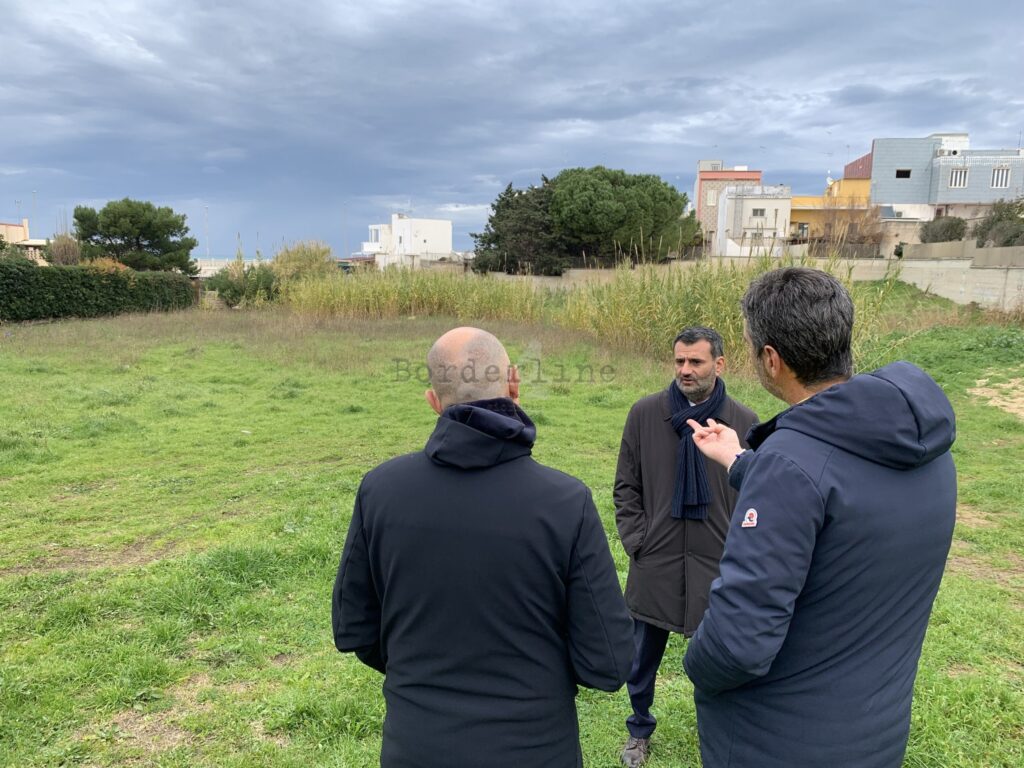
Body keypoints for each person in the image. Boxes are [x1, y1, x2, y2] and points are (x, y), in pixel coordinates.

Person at [684, 268, 957, 768]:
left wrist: (696, 660)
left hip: (779, 740)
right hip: (874, 730)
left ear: (771, 359)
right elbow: (845, 508)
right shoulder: (921, 447)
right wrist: (744, 463)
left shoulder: (792, 463)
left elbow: (738, 645)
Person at [332, 326, 634, 768]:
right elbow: (608, 664)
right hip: (534, 748)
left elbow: (354, 629)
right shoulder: (565, 502)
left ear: (433, 403)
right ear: (513, 382)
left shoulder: (380, 490)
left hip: (417, 745)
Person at [613, 327, 758, 767]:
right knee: (642, 659)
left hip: (718, 564)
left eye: (695, 361)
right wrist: (638, 541)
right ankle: (639, 729)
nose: (685, 370)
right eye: (679, 361)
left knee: (719, 658)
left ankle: (720, 735)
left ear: (720, 363)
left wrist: (739, 550)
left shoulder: (745, 421)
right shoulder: (644, 414)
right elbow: (626, 486)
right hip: (655, 560)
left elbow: (757, 492)